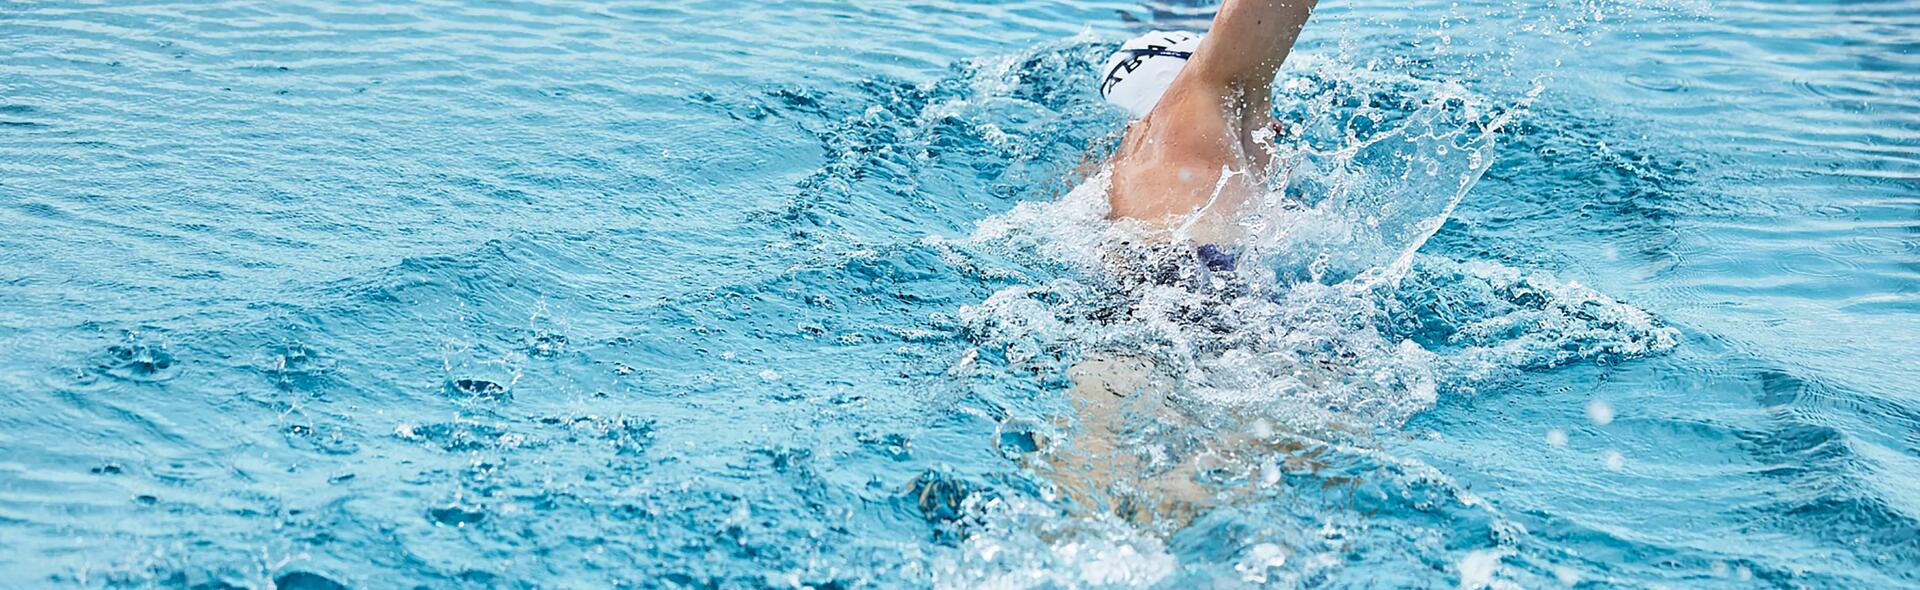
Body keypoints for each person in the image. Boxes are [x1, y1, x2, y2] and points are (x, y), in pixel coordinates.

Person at [1033, 1, 1323, 531]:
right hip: (1210, 292)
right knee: (1300, 441)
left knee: (1087, 471)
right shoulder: (1201, 99)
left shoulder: (1119, 161)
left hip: (1122, 310)